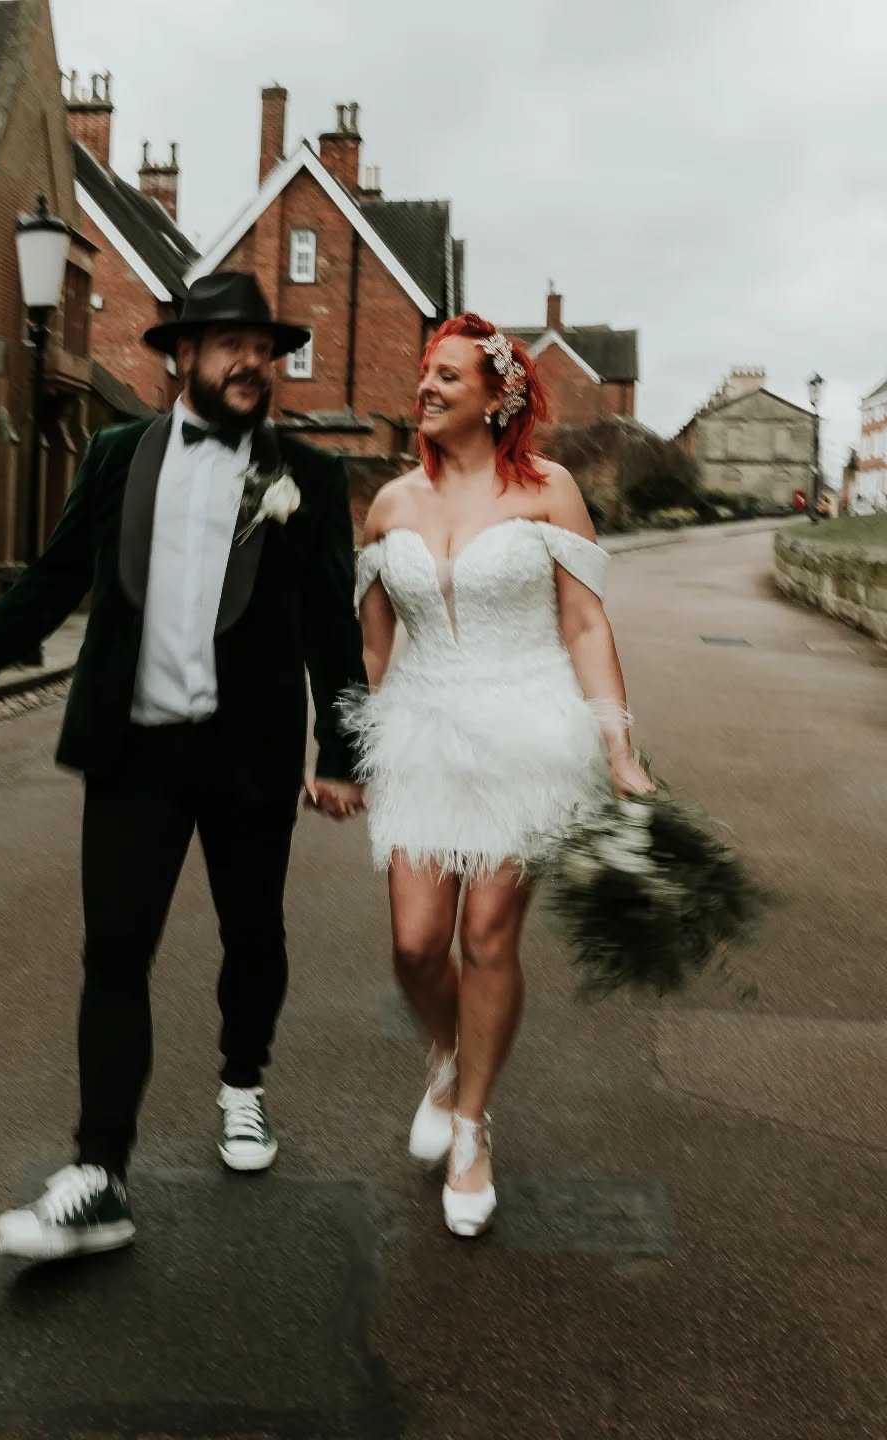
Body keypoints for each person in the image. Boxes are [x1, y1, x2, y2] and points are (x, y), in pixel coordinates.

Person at [0, 272, 366, 1260]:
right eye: (229, 346)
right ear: (184, 357)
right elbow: (57, 573)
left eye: (265, 347)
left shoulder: (310, 478)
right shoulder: (118, 453)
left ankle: (242, 1086)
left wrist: (343, 749)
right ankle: (99, 1171)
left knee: (254, 935)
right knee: (114, 954)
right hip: (136, 749)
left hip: (247, 751)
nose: (252, 363)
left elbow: (334, 626)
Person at [347, 314, 652, 1238]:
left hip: (528, 731)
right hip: (422, 734)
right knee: (413, 943)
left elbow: (585, 626)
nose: (426, 388)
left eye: (447, 376)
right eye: (425, 374)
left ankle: (472, 1124)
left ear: (497, 397)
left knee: (486, 933)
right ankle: (446, 1052)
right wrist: (350, 754)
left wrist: (619, 749)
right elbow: (370, 644)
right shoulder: (391, 505)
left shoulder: (550, 491)